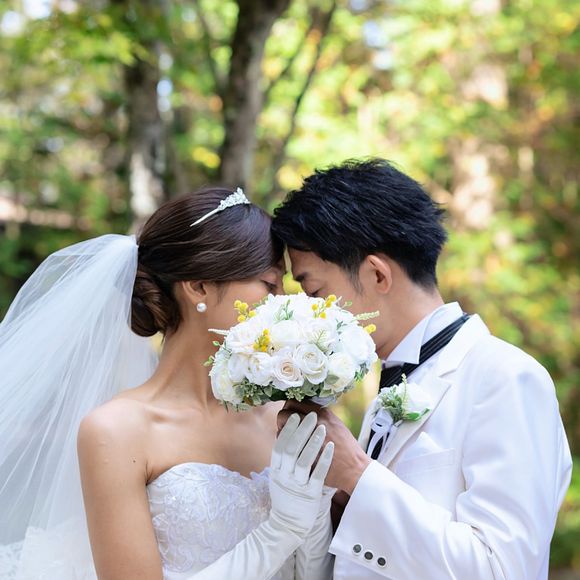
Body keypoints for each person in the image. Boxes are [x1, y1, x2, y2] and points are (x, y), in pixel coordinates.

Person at [0, 187, 335, 580]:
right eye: (269, 283)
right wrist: (278, 533)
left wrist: (313, 520)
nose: (282, 302)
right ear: (199, 287)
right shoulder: (116, 430)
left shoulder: (283, 416)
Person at [271, 158, 572, 579]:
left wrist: (358, 476)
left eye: (315, 292)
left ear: (377, 275)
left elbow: (502, 568)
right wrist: (339, 504)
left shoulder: (506, 378)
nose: (310, 314)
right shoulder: (388, 390)